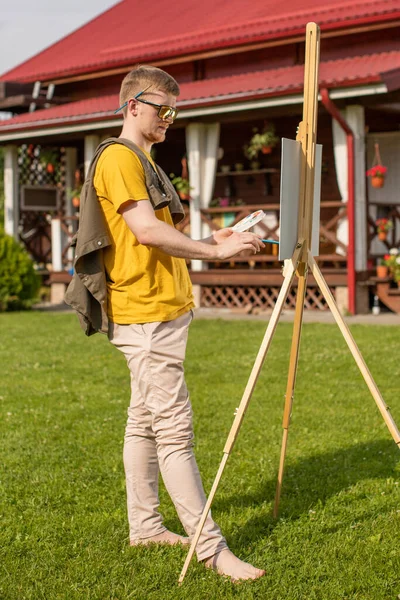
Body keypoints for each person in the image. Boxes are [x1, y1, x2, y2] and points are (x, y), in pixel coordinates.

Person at [92, 65, 265, 582]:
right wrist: (216, 256)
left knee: (144, 421)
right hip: (145, 314)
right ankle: (212, 550)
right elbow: (145, 232)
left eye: (174, 110)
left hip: (159, 310)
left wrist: (219, 236)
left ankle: (145, 526)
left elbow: (164, 231)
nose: (169, 117)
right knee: (175, 432)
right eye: (161, 108)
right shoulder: (121, 158)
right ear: (132, 106)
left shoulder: (145, 161)